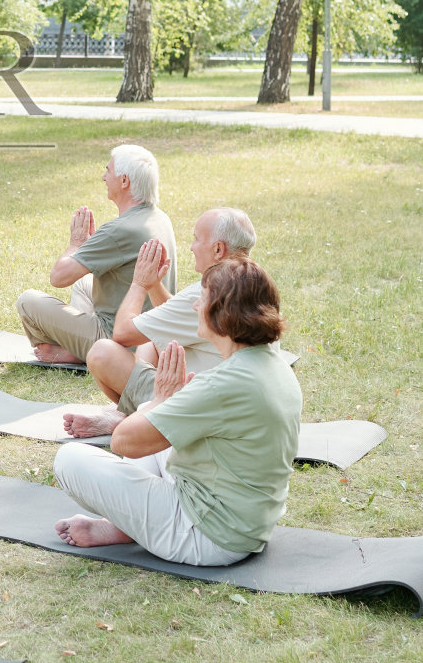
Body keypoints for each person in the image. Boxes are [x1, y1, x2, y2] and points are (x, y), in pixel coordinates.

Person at [53, 259, 301, 565]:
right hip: (248, 523)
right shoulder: (273, 365)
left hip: (207, 535)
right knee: (145, 410)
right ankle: (127, 524)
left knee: (69, 459)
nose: (196, 304)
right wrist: (161, 404)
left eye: (204, 298)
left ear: (222, 314)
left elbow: (123, 442)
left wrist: (162, 399)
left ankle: (131, 525)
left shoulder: (220, 385)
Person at [62, 206, 257, 439]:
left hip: (200, 405)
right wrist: (155, 285)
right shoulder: (253, 283)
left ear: (218, 249)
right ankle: (127, 414)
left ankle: (131, 418)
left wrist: (140, 284)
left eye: (196, 239)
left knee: (102, 352)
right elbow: (174, 316)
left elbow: (122, 334)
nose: (191, 247)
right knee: (154, 339)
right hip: (235, 399)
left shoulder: (208, 291)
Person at [16, 145, 176, 365]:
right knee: (83, 284)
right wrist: (92, 251)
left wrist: (76, 244)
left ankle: (84, 352)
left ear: (124, 181)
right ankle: (78, 348)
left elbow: (59, 277)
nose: (103, 177)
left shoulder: (119, 230)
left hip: (119, 341)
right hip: (150, 334)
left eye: (108, 171)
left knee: (27, 301)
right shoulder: (160, 218)